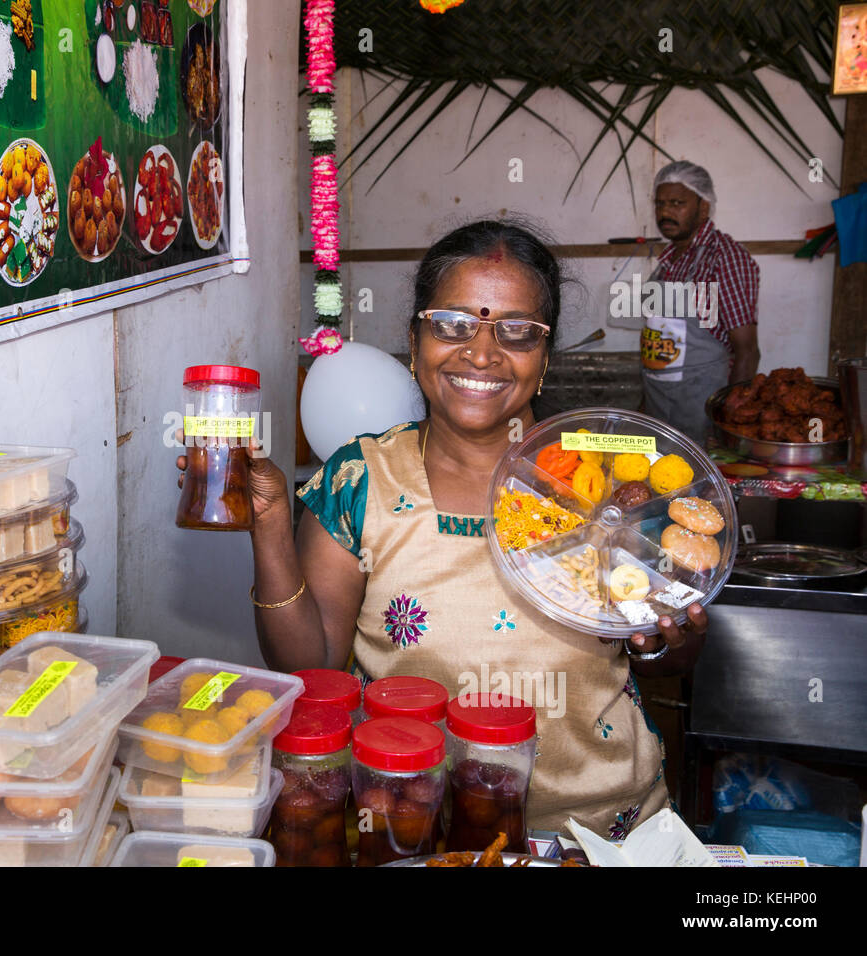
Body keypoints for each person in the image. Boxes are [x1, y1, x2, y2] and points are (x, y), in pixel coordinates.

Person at [181, 220, 709, 839]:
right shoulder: (361, 480)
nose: (481, 353)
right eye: (453, 325)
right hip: (412, 826)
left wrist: (669, 641)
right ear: (414, 343)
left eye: (516, 331)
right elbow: (312, 664)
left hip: (601, 832)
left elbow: (666, 650)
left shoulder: (608, 478)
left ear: (543, 360)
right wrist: (269, 525)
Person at [642, 160, 760, 444]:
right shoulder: (669, 261)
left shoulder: (724, 258)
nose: (665, 212)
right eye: (660, 204)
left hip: (700, 414)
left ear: (703, 206)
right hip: (659, 408)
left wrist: (727, 427)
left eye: (677, 203)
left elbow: (747, 351)